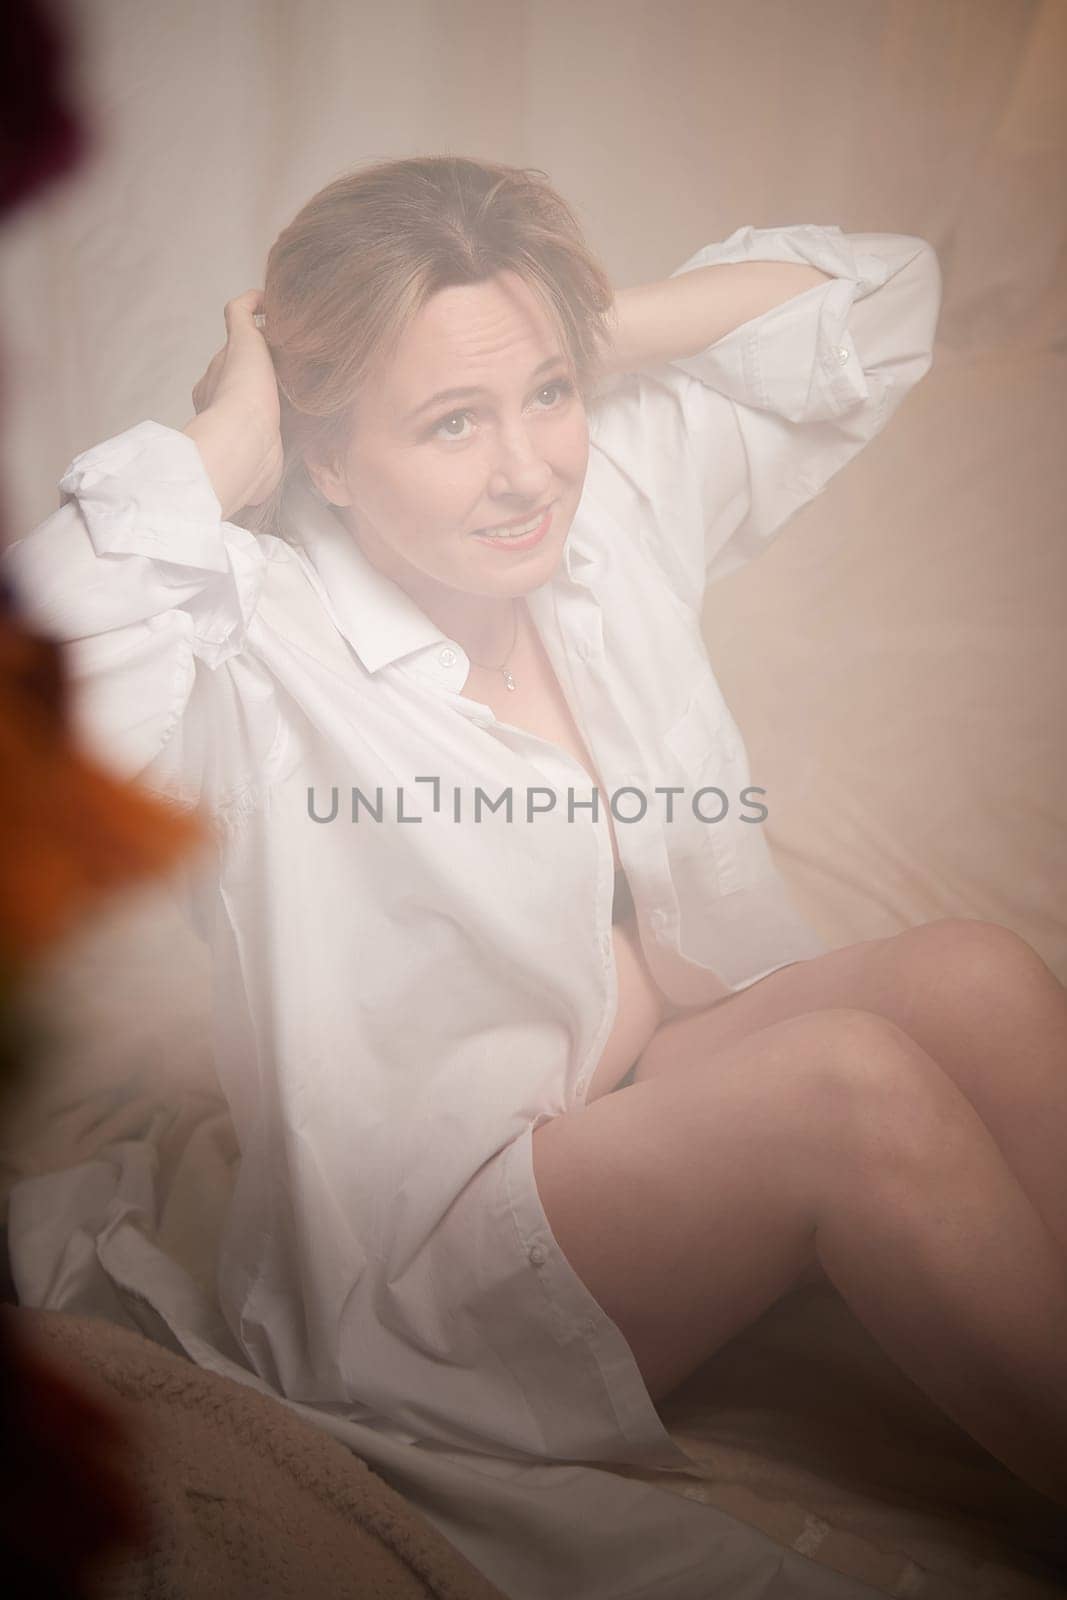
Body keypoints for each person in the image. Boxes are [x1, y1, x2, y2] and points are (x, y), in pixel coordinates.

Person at [5, 154, 1067, 1510]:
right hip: (440, 1244)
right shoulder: (262, 648)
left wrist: (560, 334)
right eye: (451, 424)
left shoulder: (601, 504)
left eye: (549, 397)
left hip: (636, 1085)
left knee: (975, 973)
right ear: (324, 452)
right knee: (854, 1092)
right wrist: (226, 447)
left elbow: (883, 300)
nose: (526, 474)